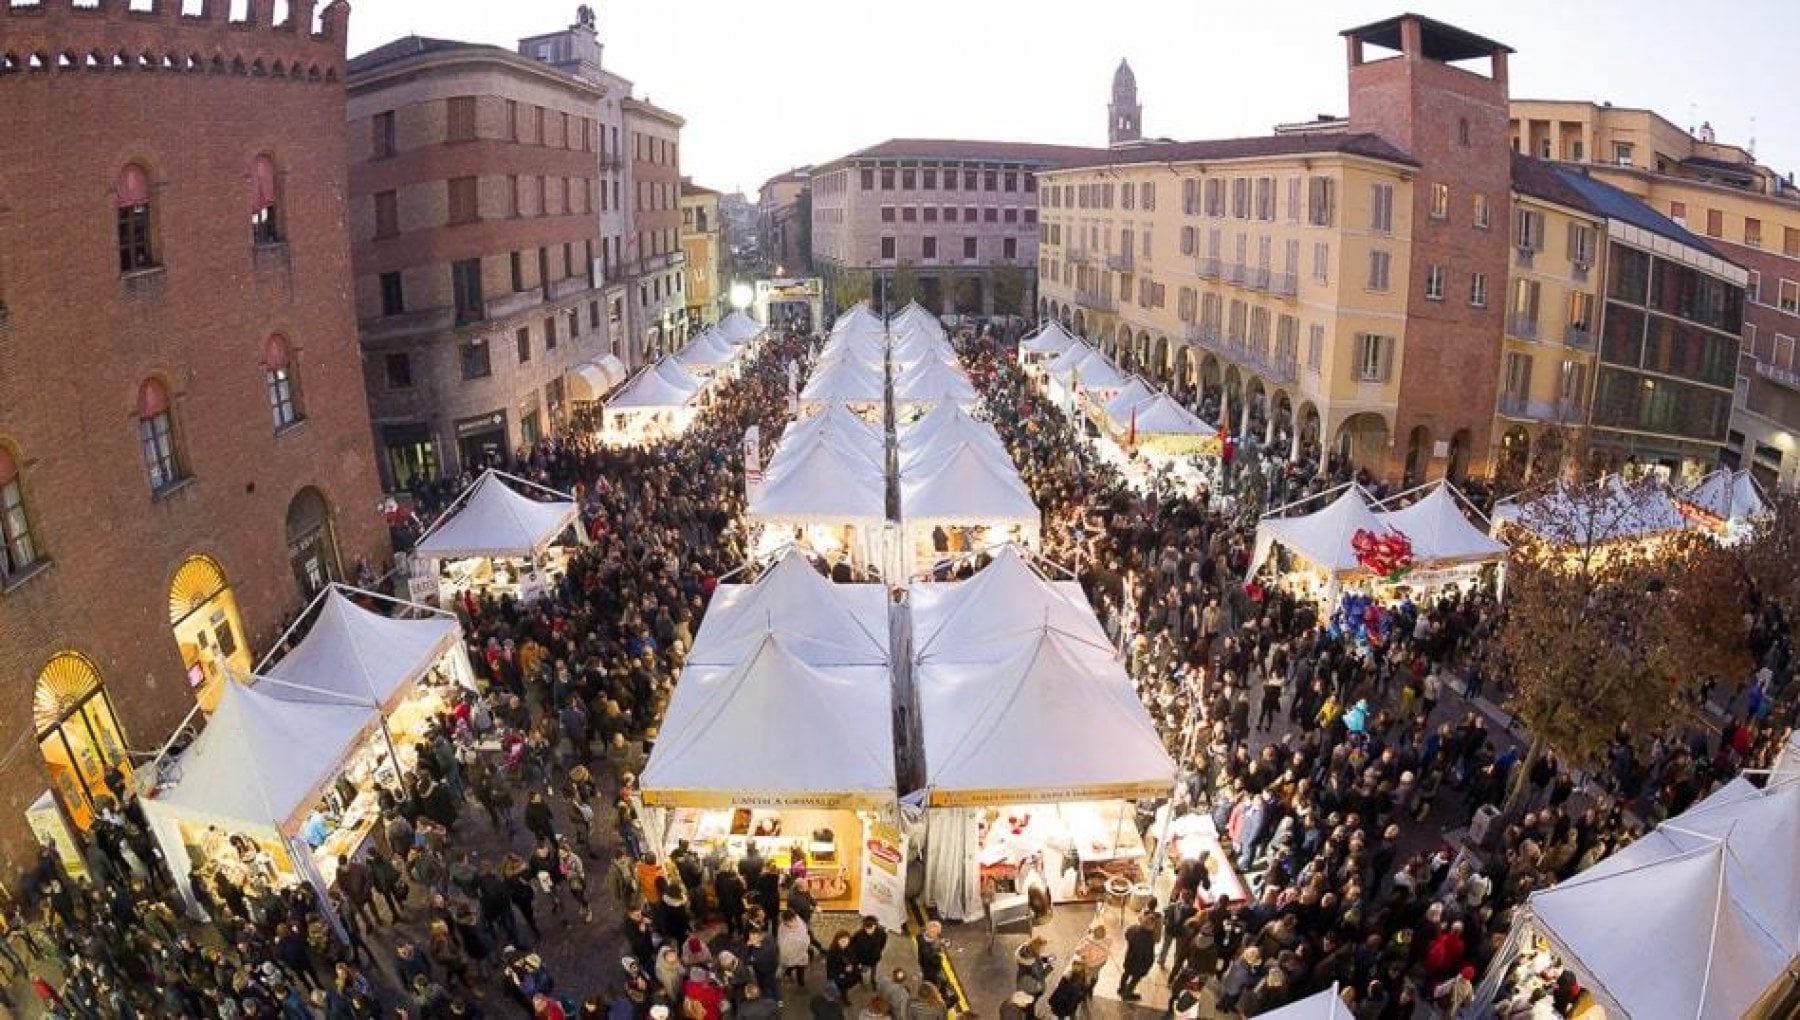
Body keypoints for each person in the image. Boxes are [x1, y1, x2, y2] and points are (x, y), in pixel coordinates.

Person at [1117, 912, 1158, 1000]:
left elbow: (1126, 935)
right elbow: (1148, 955)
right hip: (1140, 964)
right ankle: (1127, 994)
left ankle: (1121, 989)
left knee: (1126, 973)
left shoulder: (1133, 928)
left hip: (1129, 957)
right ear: (1150, 925)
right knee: (1134, 980)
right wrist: (1149, 964)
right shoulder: (1149, 939)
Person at [849, 915, 888, 986]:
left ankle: (872, 980)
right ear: (864, 927)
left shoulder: (882, 934)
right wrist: (857, 960)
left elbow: (882, 944)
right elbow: (853, 946)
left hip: (874, 957)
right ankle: (860, 979)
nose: (869, 931)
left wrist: (878, 951)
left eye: (871, 928)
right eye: (867, 929)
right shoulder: (858, 935)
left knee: (873, 968)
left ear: (875, 926)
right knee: (861, 970)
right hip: (863, 958)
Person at [777, 909, 812, 987]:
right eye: (788, 923)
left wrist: (803, 944)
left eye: (792, 920)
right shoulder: (782, 928)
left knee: (800, 968)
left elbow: (805, 936)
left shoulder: (800, 923)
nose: (791, 924)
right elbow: (782, 941)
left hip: (801, 952)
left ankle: (801, 983)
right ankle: (788, 973)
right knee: (791, 965)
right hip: (790, 953)